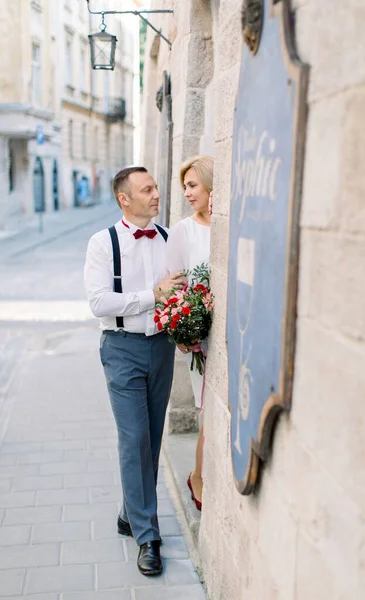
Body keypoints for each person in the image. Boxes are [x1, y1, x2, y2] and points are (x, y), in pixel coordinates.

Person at [84, 166, 186, 577]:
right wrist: (151, 296)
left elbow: (180, 287)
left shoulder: (166, 238)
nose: (157, 194)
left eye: (156, 187)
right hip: (122, 350)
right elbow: (98, 302)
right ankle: (148, 536)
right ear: (125, 199)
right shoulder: (102, 242)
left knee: (153, 437)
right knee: (135, 439)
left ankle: (131, 511)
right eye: (147, 189)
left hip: (160, 349)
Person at [167, 155, 213, 511]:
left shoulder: (230, 223)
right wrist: (184, 332)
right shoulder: (184, 230)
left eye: (193, 185)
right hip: (200, 335)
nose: (187, 192)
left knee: (215, 413)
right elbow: (174, 287)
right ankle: (197, 477)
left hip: (230, 332)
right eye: (185, 186)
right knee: (206, 412)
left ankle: (199, 474)